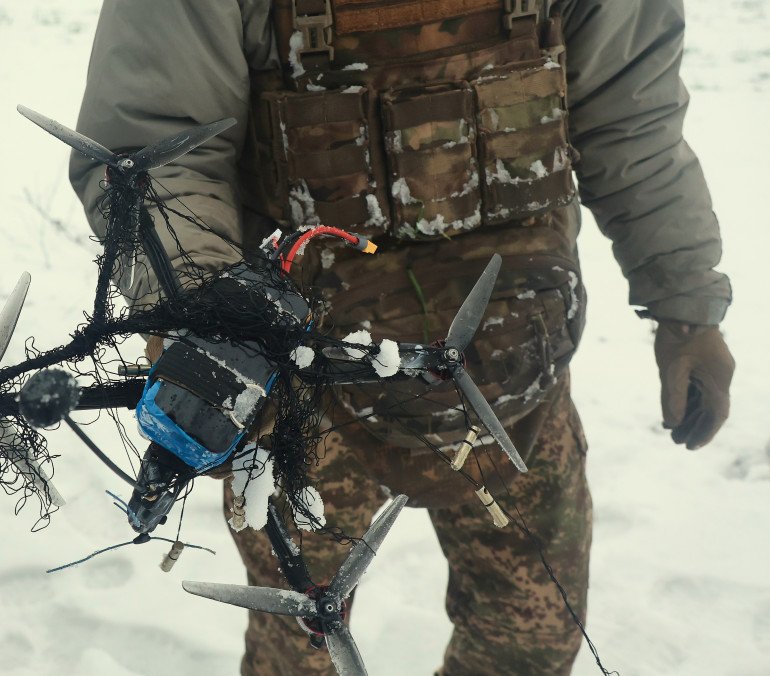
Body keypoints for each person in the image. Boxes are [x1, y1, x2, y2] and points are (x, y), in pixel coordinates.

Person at [69, 1, 735, 673]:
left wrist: (687, 306)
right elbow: (150, 148)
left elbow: (631, 124)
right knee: (296, 647)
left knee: (528, 642)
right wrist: (203, 312)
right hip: (299, 390)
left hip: (514, 373)